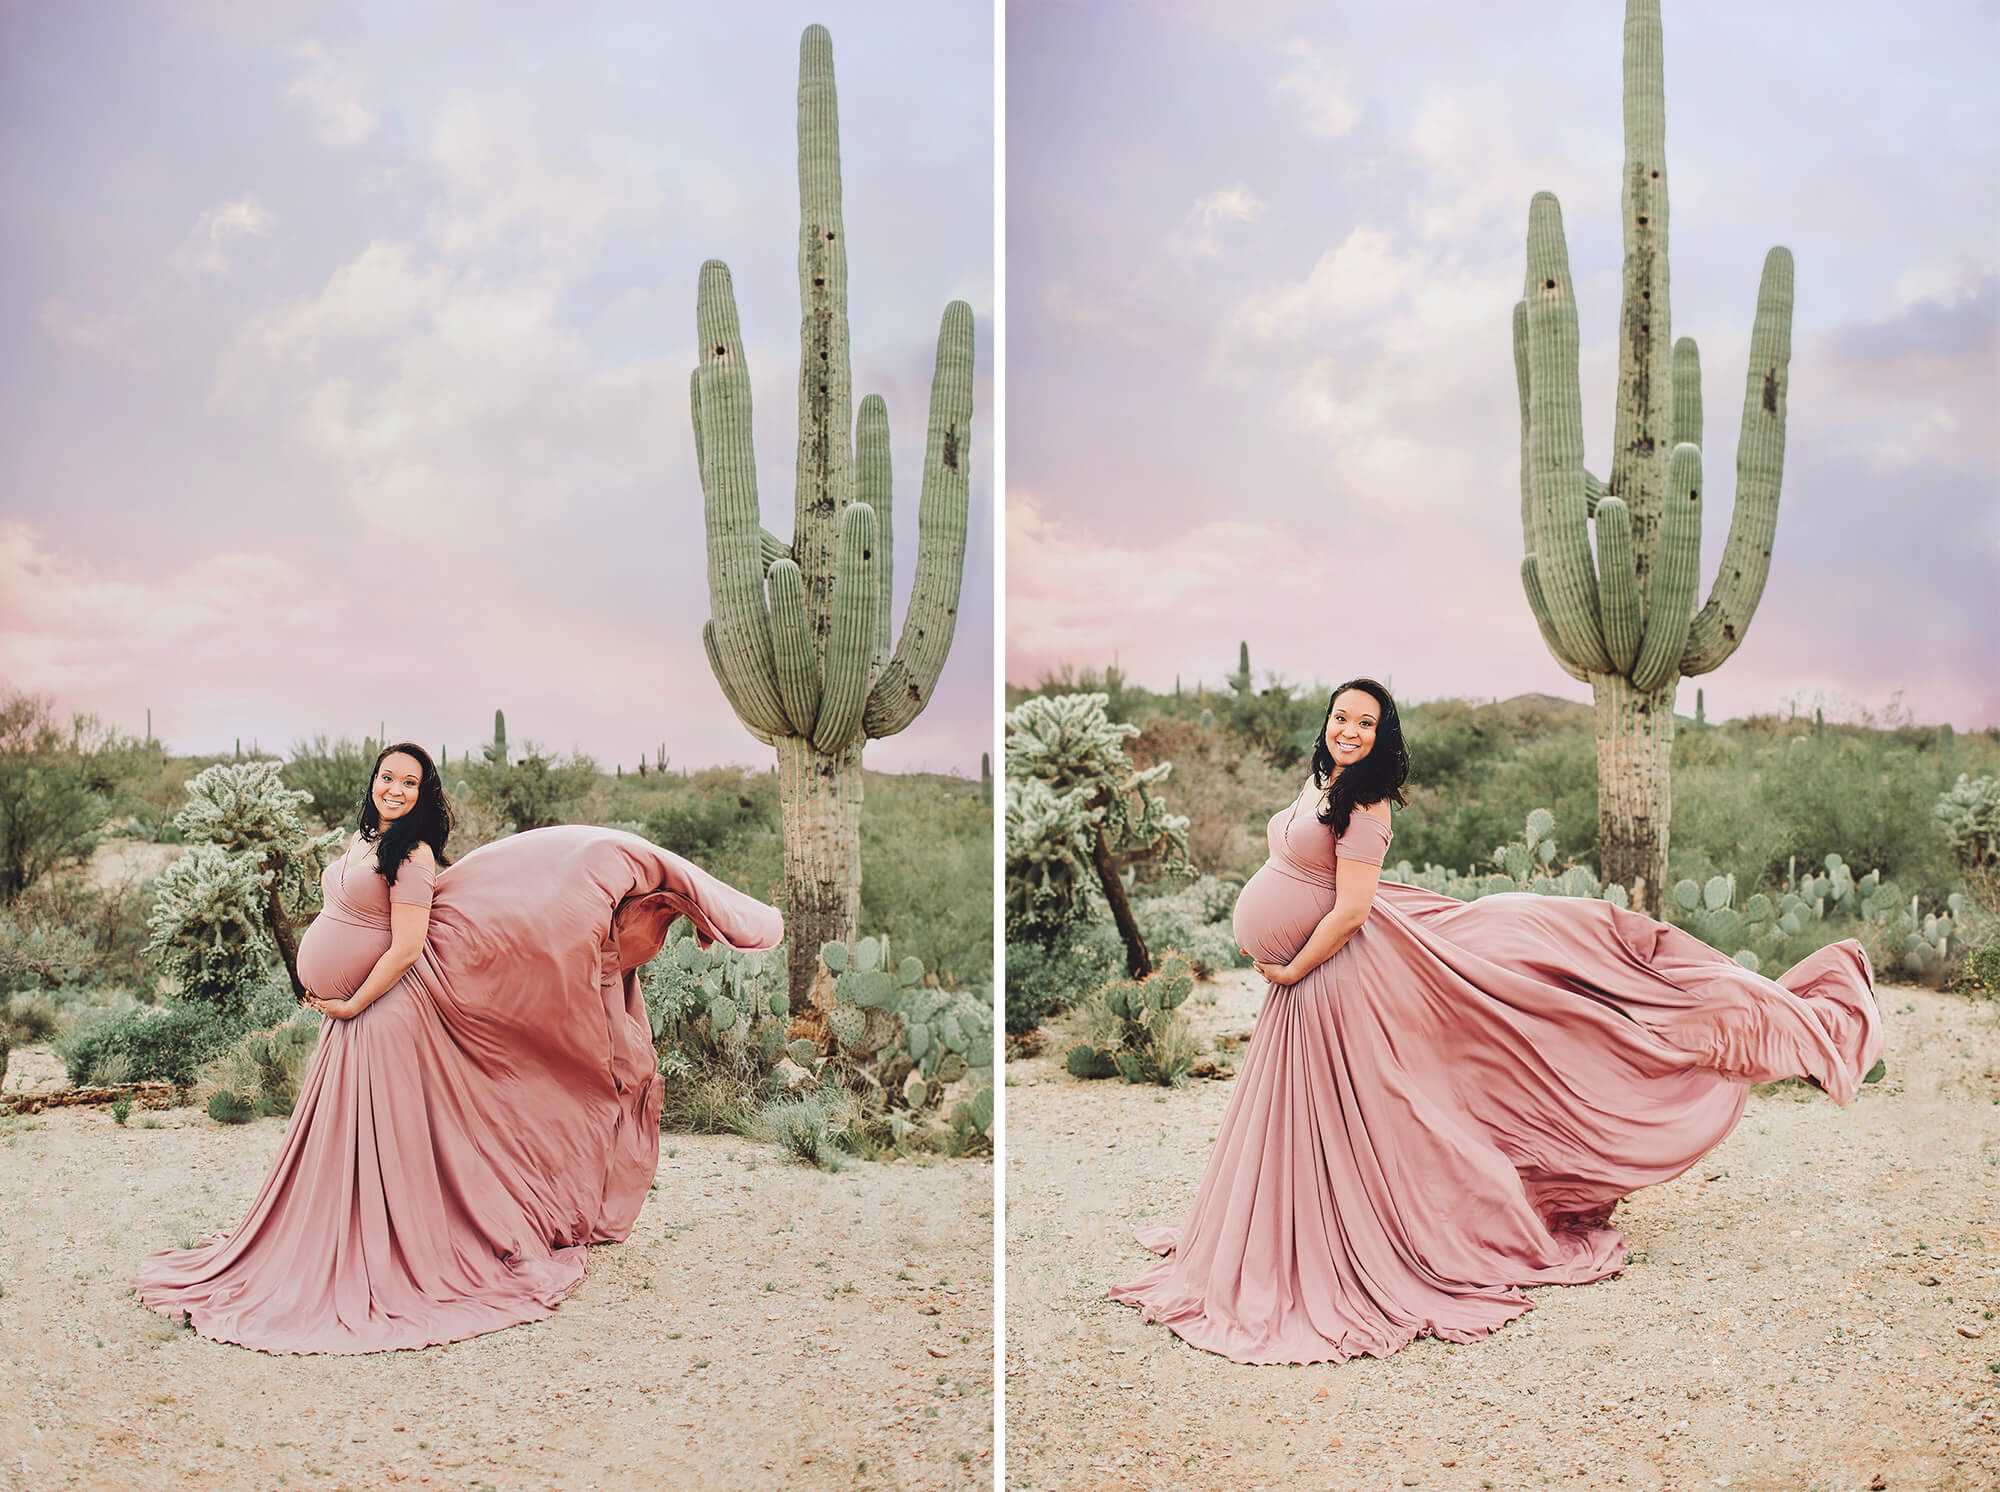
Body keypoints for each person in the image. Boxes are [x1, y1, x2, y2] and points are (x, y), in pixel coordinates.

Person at [1110, 679, 1882, 1365]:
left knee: (1364, 1114)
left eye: (1366, 723)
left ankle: (1801, 1024)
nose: (1350, 730)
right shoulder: (1325, 780)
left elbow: (1350, 912)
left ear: (1386, 738)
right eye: (1341, 717)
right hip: (1305, 981)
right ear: (1327, 725)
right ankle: (1283, 1231)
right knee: (1310, 1122)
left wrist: (1290, 965)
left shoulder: (1368, 805)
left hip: (1328, 977)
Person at [132, 742, 782, 1354]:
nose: (394, 788)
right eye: (387, 777)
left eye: (409, 783)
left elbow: (408, 946)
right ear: (374, 783)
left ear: (424, 796)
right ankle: (335, 1241)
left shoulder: (412, 855)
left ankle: (393, 1254)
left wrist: (354, 998)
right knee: (348, 1148)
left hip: (382, 1013)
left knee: (387, 1145)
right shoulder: (363, 840)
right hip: (348, 1019)